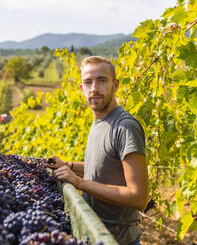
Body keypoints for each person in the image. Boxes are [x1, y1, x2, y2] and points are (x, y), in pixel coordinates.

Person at [44, 56, 149, 245]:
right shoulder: (99, 121)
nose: (94, 88)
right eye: (88, 82)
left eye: (102, 80)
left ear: (115, 85)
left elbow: (138, 197)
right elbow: (103, 167)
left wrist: (78, 182)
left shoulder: (125, 127)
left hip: (118, 240)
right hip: (94, 234)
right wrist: (68, 165)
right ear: (81, 88)